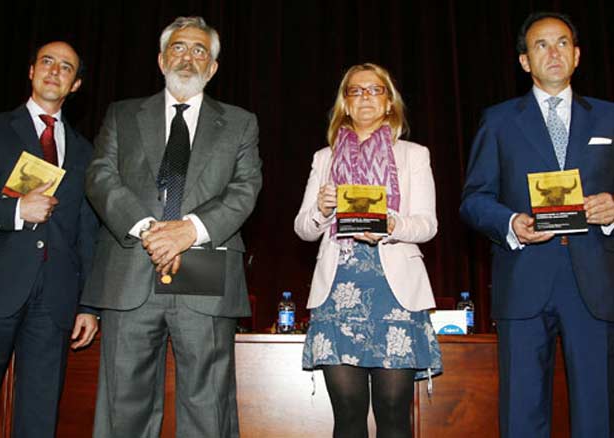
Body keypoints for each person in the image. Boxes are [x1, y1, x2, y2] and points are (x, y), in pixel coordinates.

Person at [82, 16, 262, 438]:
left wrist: (189, 230)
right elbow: (100, 176)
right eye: (179, 48)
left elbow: (245, 187)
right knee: (123, 404)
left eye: (201, 50)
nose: (189, 57)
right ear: (162, 60)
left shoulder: (240, 122)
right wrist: (149, 228)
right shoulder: (123, 114)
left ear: (213, 67)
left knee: (207, 403)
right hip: (132, 267)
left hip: (204, 264)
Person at [460, 11, 614, 438]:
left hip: (596, 286)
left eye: (562, 43)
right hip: (524, 279)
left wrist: (613, 210)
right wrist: (511, 223)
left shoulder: (609, 118)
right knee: (521, 414)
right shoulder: (499, 120)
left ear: (578, 55)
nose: (553, 52)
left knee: (598, 414)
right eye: (540, 45)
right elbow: (473, 200)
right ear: (525, 61)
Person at [295, 63, 442, 438]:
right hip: (338, 292)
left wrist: (393, 226)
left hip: (394, 294)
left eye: (374, 90)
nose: (365, 97)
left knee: (393, 415)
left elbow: (427, 224)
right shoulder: (323, 158)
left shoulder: (413, 154)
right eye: (355, 91)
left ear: (389, 102)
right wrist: (322, 209)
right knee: (347, 415)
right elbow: (303, 229)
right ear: (344, 103)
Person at [0, 41, 99, 437]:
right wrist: (15, 211)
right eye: (47, 62)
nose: (55, 71)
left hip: (54, 300)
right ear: (31, 71)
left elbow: (87, 233)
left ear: (76, 85)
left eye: (66, 67)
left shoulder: (86, 152)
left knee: (39, 420)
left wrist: (89, 304)